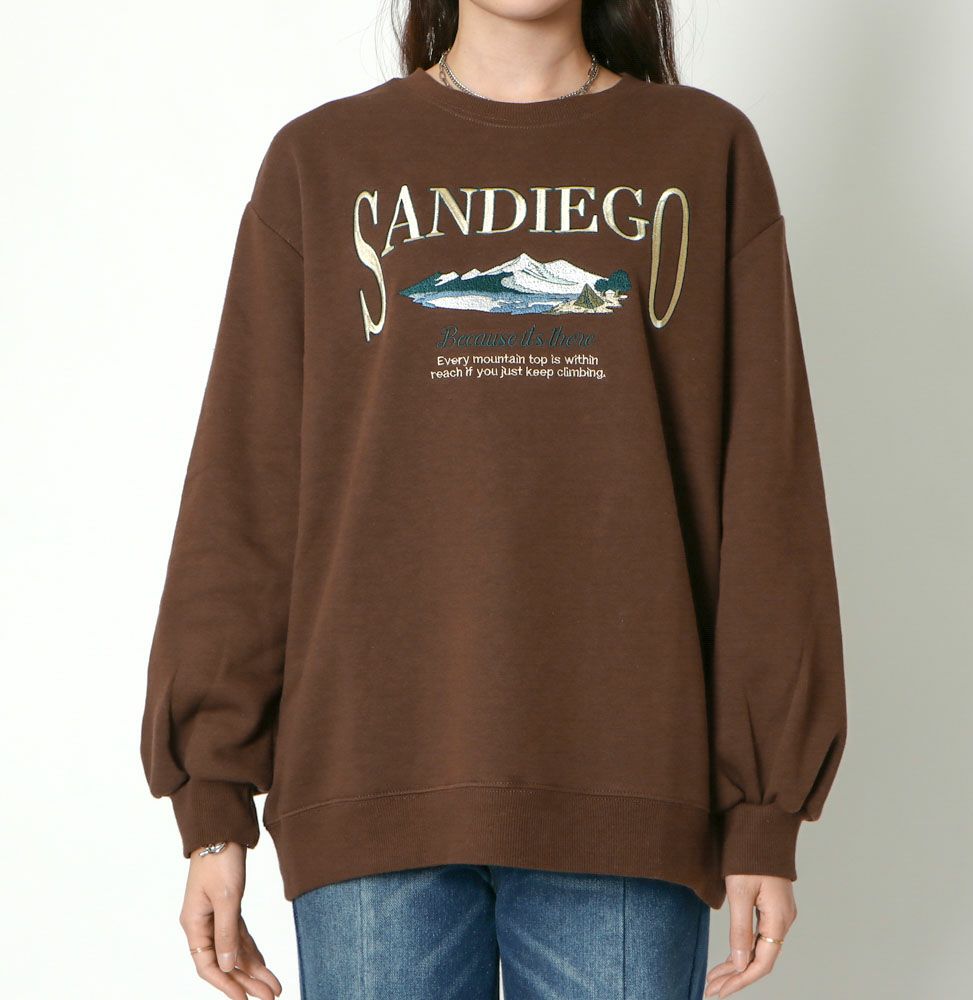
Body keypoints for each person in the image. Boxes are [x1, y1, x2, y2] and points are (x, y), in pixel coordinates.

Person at [139, 1, 848, 997]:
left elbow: (766, 494)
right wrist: (211, 801)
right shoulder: (323, 160)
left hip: (624, 781)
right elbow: (246, 487)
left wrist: (765, 809)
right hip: (368, 777)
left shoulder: (703, 152)